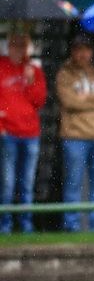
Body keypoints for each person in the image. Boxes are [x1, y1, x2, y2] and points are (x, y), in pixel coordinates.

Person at [56, 34, 94, 232]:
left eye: (86, 49)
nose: (83, 54)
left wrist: (87, 97)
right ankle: (71, 227)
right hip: (74, 136)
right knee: (73, 184)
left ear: (91, 52)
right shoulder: (64, 74)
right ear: (72, 51)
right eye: (78, 49)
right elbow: (69, 101)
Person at [0, 32, 47, 234]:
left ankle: (26, 225)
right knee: (7, 182)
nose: (18, 50)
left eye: (22, 46)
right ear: (9, 46)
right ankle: (6, 225)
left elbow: (39, 100)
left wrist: (30, 82)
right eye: (15, 45)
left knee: (26, 183)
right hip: (8, 132)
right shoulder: (1, 67)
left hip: (30, 133)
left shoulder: (34, 70)